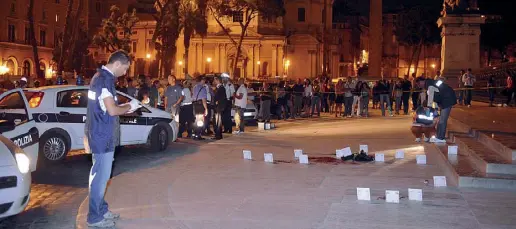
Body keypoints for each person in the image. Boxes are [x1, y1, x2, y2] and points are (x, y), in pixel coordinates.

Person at [85, 50, 141, 228]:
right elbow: (112, 110)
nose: (125, 73)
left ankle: (101, 210)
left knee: (101, 176)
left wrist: (125, 108)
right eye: (125, 68)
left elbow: (101, 109)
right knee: (100, 179)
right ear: (117, 64)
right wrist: (129, 105)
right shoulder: (104, 81)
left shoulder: (99, 78)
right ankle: (95, 218)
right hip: (103, 137)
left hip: (100, 134)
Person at [422, 78, 457, 143]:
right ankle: (438, 136)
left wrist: (428, 110)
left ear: (422, 82)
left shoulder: (430, 86)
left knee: (443, 120)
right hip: (445, 99)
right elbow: (436, 98)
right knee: (440, 120)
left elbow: (430, 100)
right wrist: (435, 108)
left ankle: (441, 138)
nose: (419, 85)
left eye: (419, 83)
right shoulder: (431, 83)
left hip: (447, 100)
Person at [192, 76, 208, 140]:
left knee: (196, 120)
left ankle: (195, 134)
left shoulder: (195, 87)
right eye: (204, 80)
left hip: (195, 104)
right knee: (200, 120)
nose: (205, 82)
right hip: (200, 105)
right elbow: (204, 99)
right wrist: (206, 108)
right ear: (202, 80)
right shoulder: (203, 88)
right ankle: (198, 135)